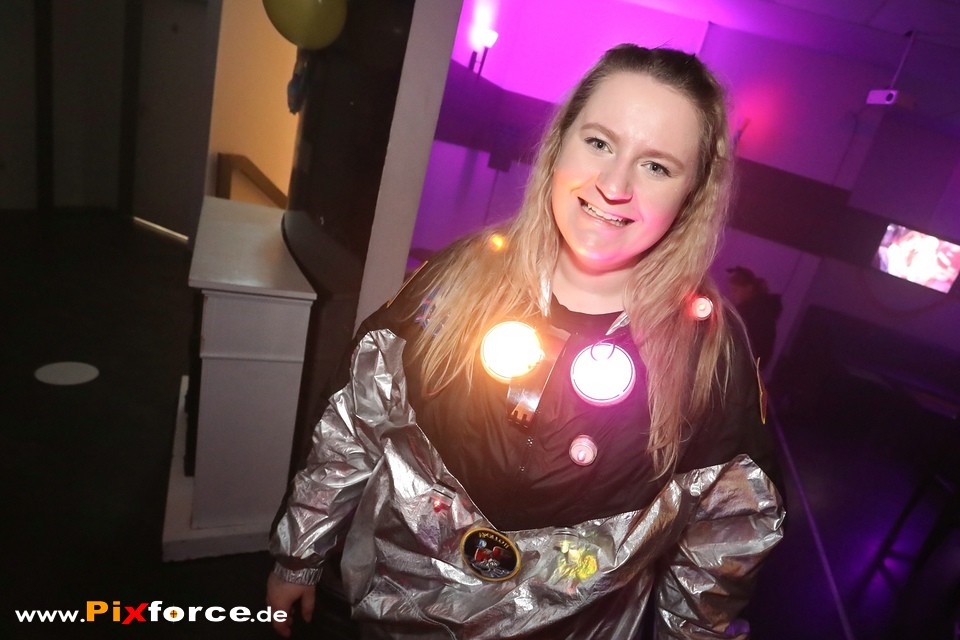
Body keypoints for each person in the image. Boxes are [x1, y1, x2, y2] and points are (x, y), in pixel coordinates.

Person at [267, 44, 785, 639]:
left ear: (692, 193)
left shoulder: (708, 354)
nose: (614, 184)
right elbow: (355, 422)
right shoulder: (462, 275)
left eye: (657, 167)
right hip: (395, 619)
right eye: (599, 142)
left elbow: (725, 537)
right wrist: (298, 556)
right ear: (560, 141)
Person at [726, 266, 782, 371]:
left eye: (735, 290)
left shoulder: (755, 314)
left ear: (749, 288)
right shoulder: (757, 311)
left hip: (740, 367)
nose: (732, 295)